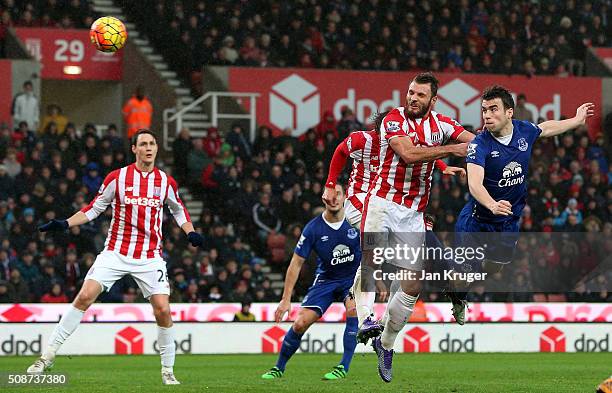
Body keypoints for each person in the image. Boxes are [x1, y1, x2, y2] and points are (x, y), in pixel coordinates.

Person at [26, 129, 204, 385]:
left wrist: (191, 233)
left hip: (150, 256)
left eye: (152, 143)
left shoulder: (166, 181)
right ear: (134, 149)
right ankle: (46, 356)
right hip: (116, 252)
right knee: (85, 296)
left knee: (163, 309)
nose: (148, 148)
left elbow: (179, 210)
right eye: (143, 144)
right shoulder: (117, 178)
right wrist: (65, 223)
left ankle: (168, 370)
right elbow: (94, 208)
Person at [360, 72, 473, 383]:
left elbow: (472, 143)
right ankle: (365, 319)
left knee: (413, 285)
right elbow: (408, 154)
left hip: (413, 214)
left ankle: (386, 345)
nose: (412, 98)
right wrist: (451, 150)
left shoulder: (443, 125)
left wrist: (502, 147)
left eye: (420, 95)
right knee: (369, 261)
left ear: (432, 100)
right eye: (411, 92)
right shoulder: (393, 119)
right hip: (382, 202)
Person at [447, 86, 595, 323]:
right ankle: (458, 296)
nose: (487, 115)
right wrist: (492, 204)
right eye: (484, 110)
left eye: (494, 109)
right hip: (478, 220)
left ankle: (468, 270)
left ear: (509, 112)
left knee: (495, 268)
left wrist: (576, 121)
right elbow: (474, 184)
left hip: (508, 221)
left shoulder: (523, 131)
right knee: (462, 276)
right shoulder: (479, 144)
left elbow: (546, 128)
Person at [322, 112, 465, 343]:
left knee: (420, 254)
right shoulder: (364, 140)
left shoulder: (402, 147)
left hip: (393, 208)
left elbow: (420, 152)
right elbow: (340, 151)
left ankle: (453, 293)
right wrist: (330, 184)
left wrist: (442, 167)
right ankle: (364, 309)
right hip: (361, 201)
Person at [261, 184, 360, 381]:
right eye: (329, 195)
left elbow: (374, 248)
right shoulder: (313, 228)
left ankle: (343, 366)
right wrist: (285, 299)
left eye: (337, 194)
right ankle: (278, 368)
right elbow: (296, 263)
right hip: (326, 280)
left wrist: (377, 277)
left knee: (353, 309)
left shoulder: (357, 220)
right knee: (299, 324)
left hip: (354, 278)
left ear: (344, 197)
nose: (333, 198)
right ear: (324, 198)